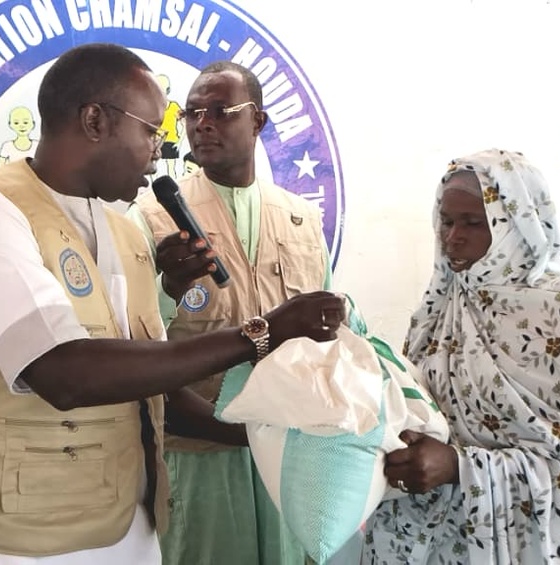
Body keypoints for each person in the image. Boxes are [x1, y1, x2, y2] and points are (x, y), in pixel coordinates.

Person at [0, 42, 345, 565]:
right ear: (95, 120)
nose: (161, 150)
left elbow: (152, 389)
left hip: (129, 525)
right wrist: (257, 335)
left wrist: (259, 439)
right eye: (151, 130)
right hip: (16, 538)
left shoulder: (123, 231)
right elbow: (63, 373)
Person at [362, 149, 560, 563]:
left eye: (474, 223)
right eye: (446, 220)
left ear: (517, 225)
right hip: (434, 542)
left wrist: (462, 468)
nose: (453, 237)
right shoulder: (441, 305)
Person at [126, 61, 339, 565]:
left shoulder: (302, 218)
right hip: (199, 454)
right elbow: (134, 339)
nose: (203, 124)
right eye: (193, 113)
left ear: (258, 121)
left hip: (290, 451)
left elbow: (331, 334)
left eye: (221, 111)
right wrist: (168, 286)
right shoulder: (150, 219)